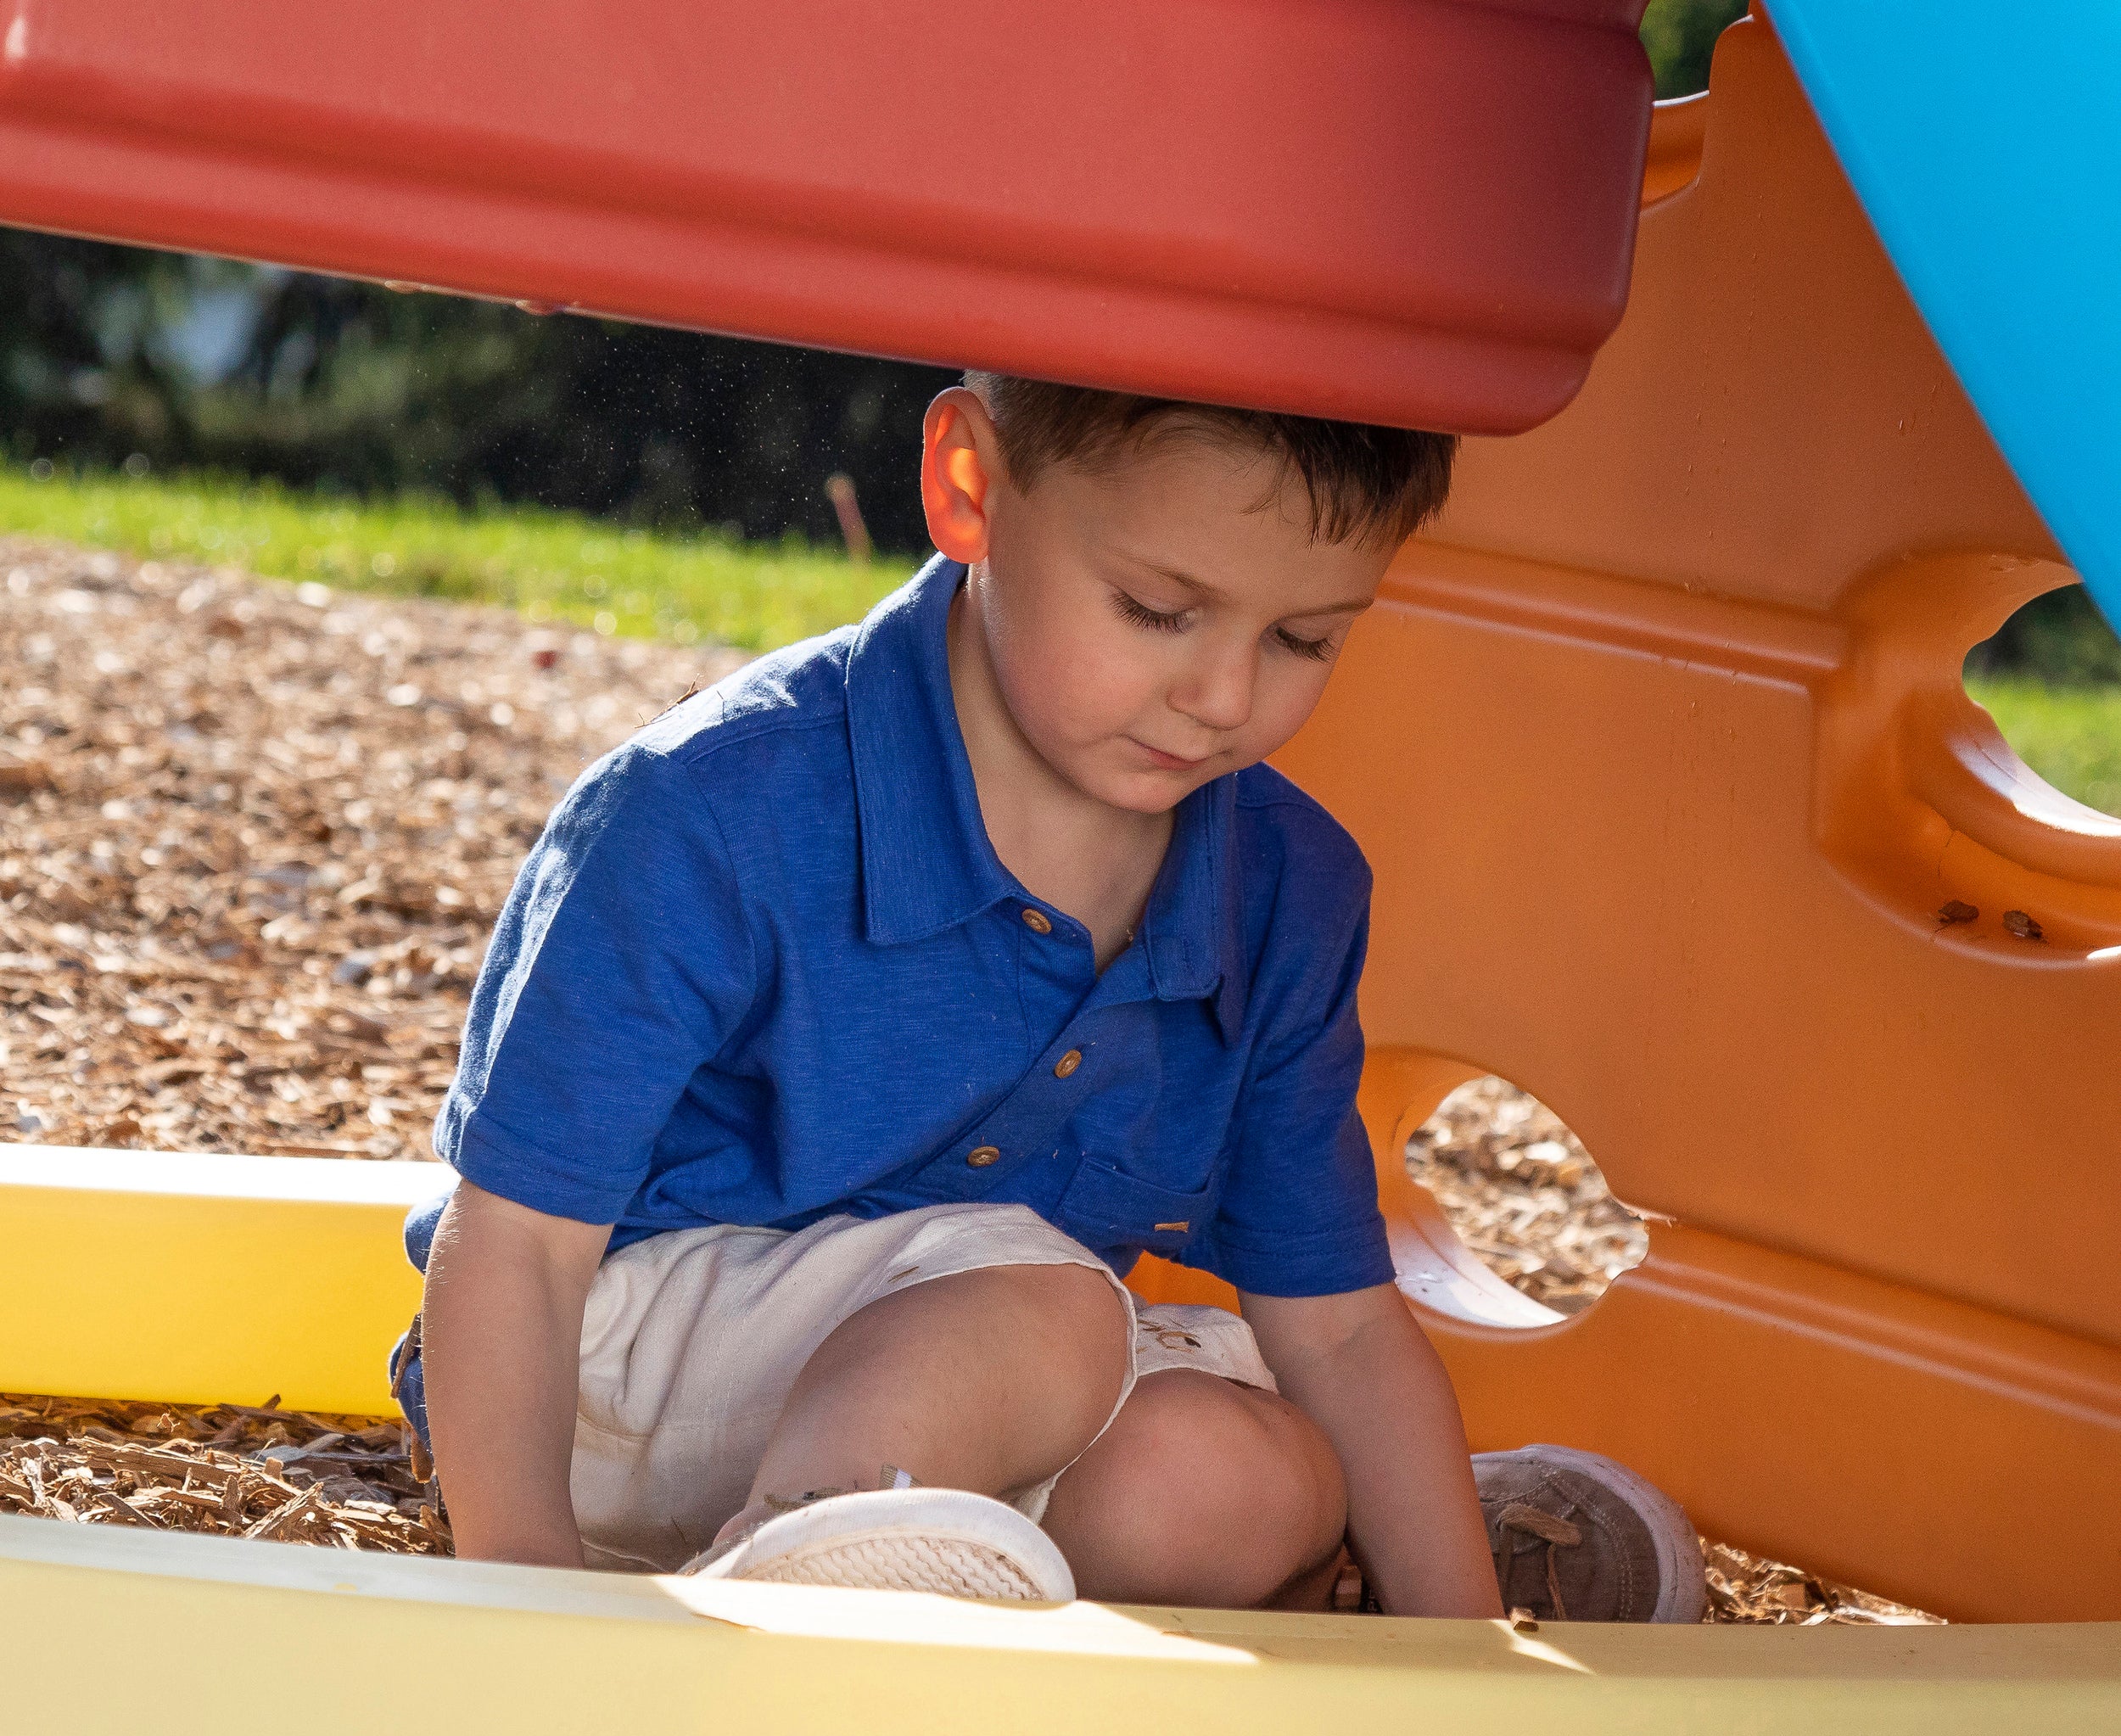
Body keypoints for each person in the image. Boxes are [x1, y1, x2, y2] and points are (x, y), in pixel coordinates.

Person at [390, 374, 1705, 1622]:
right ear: (972, 487)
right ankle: (791, 1613)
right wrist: (528, 1602)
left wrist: (1463, 1652)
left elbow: (1345, 1331)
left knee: (1235, 1482)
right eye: (1156, 609)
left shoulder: (1283, 890)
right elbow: (520, 1249)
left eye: (1302, 638)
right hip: (600, 1387)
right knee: (1056, 1310)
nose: (1223, 696)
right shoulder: (714, 813)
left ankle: (1052, 1579)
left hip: (989, 1390)